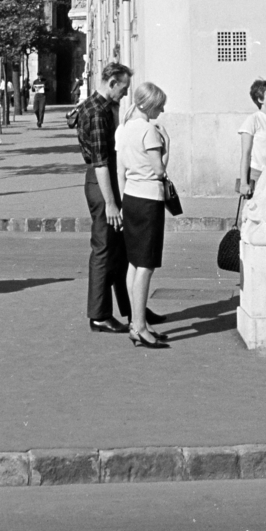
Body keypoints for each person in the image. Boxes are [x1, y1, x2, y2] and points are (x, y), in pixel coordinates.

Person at [74, 62, 134, 333]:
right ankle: (99, 314)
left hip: (102, 180)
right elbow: (100, 162)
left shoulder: (93, 105)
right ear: (112, 83)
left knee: (117, 249)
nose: (125, 94)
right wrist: (110, 202)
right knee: (104, 249)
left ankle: (132, 308)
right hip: (102, 183)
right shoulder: (98, 112)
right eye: (123, 89)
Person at [115, 81, 171, 349]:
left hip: (131, 198)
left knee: (134, 264)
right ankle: (139, 327)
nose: (162, 109)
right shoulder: (149, 130)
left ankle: (136, 323)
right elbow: (159, 171)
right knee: (146, 265)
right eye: (160, 105)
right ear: (149, 105)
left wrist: (124, 201)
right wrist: (167, 145)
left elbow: (119, 171)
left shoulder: (122, 129)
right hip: (150, 199)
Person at [237, 80, 266, 199]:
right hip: (257, 174)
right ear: (260, 99)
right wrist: (244, 183)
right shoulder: (252, 120)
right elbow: (246, 155)